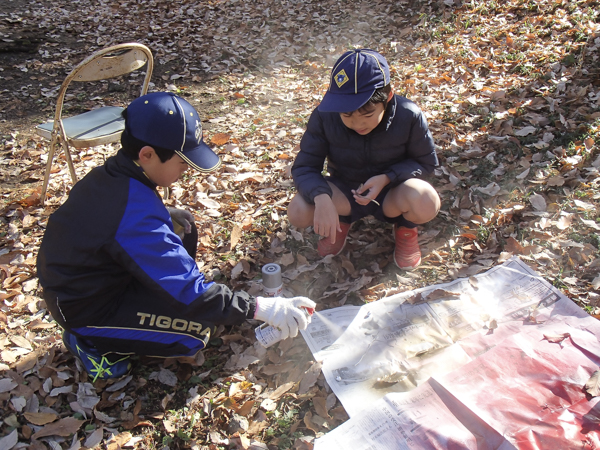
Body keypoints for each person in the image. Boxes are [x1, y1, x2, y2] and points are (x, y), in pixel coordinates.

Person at [37, 92, 315, 381]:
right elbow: (191, 292)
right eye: (182, 162)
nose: (186, 169)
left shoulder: (117, 176)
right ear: (147, 154)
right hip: (85, 308)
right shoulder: (134, 214)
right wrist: (262, 308)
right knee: (195, 333)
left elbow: (106, 221)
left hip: (101, 280)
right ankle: (88, 341)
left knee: (182, 227)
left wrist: (163, 213)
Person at [287, 49, 440, 270]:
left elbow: (426, 164)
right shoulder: (324, 115)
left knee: (426, 200)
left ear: (387, 97)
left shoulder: (409, 115)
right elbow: (304, 167)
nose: (357, 123)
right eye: (346, 115)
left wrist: (388, 178)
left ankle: (406, 228)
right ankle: (340, 222)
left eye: (367, 114)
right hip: (345, 191)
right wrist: (322, 197)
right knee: (299, 210)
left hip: (392, 194)